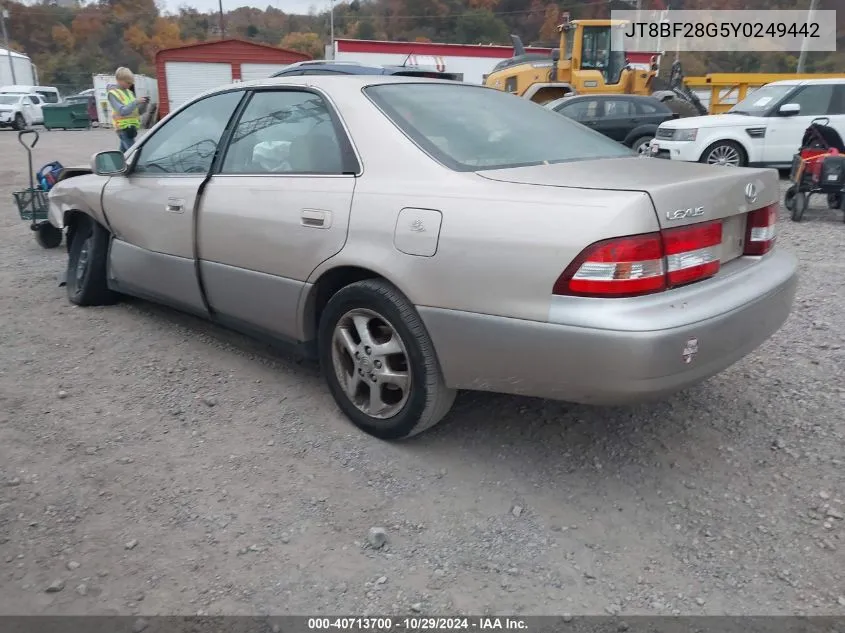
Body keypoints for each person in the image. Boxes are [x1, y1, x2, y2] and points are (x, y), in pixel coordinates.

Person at [107, 67, 149, 152]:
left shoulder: (129, 93)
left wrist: (144, 104)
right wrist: (136, 102)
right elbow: (122, 111)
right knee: (133, 153)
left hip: (132, 128)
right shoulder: (113, 94)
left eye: (131, 83)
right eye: (128, 83)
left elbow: (137, 112)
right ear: (119, 80)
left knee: (123, 153)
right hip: (123, 128)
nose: (130, 85)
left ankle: (118, 164)